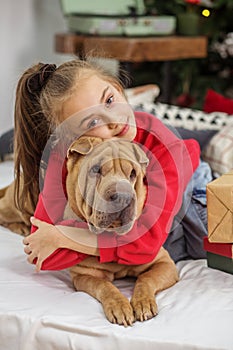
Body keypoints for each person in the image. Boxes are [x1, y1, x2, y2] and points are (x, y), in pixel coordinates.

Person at [14, 59, 207, 272]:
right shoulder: (67, 154)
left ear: (117, 88)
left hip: (193, 194)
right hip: (149, 222)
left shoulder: (162, 145)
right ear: (73, 141)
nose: (114, 120)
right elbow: (41, 252)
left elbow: (146, 246)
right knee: (154, 248)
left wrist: (63, 237)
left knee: (205, 239)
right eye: (92, 122)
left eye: (109, 100)